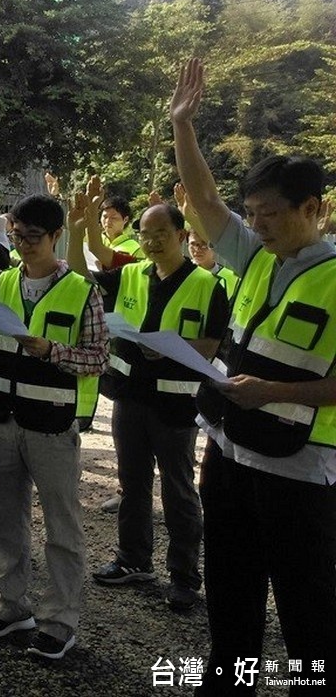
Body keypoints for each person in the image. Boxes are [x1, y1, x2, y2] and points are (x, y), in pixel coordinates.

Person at [170, 58, 336, 689]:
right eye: (254, 213)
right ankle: (228, 680)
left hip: (299, 468)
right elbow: (206, 200)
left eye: (271, 213)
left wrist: (277, 392)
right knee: (230, 586)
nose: (258, 225)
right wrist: (183, 126)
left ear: (312, 208)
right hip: (230, 450)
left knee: (306, 604)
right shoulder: (256, 256)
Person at [0, 195, 108, 661]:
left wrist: (50, 350)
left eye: (33, 237)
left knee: (62, 526)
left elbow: (99, 357)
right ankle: (10, 605)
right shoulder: (1, 280)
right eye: (16, 235)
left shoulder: (82, 290)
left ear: (57, 237)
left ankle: (60, 621)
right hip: (0, 419)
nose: (24, 245)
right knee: (7, 520)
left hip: (52, 426)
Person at [68, 201, 228, 612]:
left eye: (161, 233)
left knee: (177, 489)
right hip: (130, 397)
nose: (152, 241)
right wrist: (76, 232)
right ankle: (133, 560)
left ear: (180, 235)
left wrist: (171, 350)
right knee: (132, 483)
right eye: (145, 234)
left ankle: (184, 577)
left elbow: (212, 344)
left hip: (176, 406)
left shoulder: (208, 284)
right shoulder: (131, 274)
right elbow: (80, 280)